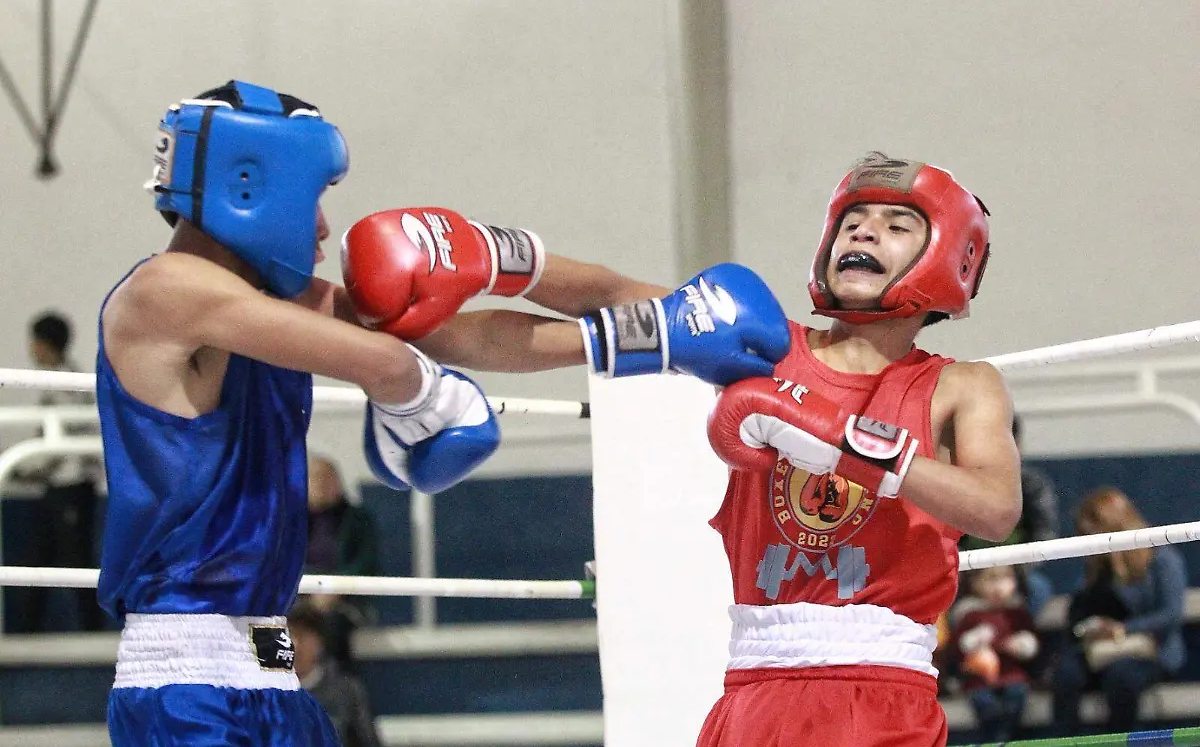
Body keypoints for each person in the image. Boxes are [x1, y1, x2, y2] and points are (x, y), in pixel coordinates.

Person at [338, 152, 1020, 747]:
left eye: (897, 224)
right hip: (751, 685)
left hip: (879, 689)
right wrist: (484, 261)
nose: (865, 231)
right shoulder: (761, 345)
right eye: (853, 220)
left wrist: (834, 436)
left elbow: (994, 508)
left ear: (947, 255)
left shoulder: (960, 385)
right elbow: (603, 301)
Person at [97, 80, 503, 747]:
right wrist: (430, 393)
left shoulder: (268, 306)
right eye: (314, 196)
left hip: (274, 665)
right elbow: (390, 363)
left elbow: (458, 336)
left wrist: (633, 327)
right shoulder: (163, 292)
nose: (322, 225)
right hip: (187, 680)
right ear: (249, 185)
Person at [1051, 487, 1187, 736]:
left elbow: (1171, 613)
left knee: (1121, 677)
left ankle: (1121, 739)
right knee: (1067, 676)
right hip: (1100, 648)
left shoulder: (1162, 558)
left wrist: (1124, 628)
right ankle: (1067, 739)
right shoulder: (1096, 565)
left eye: (1093, 532)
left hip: (1148, 650)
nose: (1089, 540)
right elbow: (1080, 611)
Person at [10, 311, 105, 632]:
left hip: (71, 488)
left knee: (74, 561)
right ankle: (25, 635)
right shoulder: (60, 383)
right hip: (61, 488)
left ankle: (90, 636)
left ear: (43, 343)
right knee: (40, 558)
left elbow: (59, 445)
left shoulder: (66, 387)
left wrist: (26, 469)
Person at [960, 413, 1060, 616]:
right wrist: (971, 572)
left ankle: (1023, 636)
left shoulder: (1032, 485)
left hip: (1017, 571)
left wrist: (1014, 571)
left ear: (1017, 444)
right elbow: (948, 535)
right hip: (970, 570)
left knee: (1038, 587)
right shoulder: (961, 481)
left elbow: (1044, 535)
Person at [305, 454, 380, 670]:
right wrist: (310, 591)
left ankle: (338, 691)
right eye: (314, 479)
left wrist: (335, 589)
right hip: (302, 595)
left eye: (326, 478)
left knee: (333, 624)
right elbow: (285, 563)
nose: (320, 485)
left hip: (345, 599)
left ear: (338, 482)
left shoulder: (358, 520)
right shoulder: (293, 522)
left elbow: (365, 563)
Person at [949, 566, 1039, 742]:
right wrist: (974, 641)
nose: (998, 586)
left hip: (1012, 674)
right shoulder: (970, 614)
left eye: (1005, 579)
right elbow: (959, 646)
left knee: (1016, 695)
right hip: (978, 678)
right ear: (975, 583)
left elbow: (1032, 643)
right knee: (985, 703)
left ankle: (1008, 738)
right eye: (991, 579)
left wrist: (1021, 645)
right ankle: (993, 740)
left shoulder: (1017, 612)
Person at [288, 602, 383, 747]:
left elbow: (368, 741)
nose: (296, 644)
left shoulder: (347, 691)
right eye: (289, 634)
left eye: (303, 635)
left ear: (320, 641)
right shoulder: (267, 691)